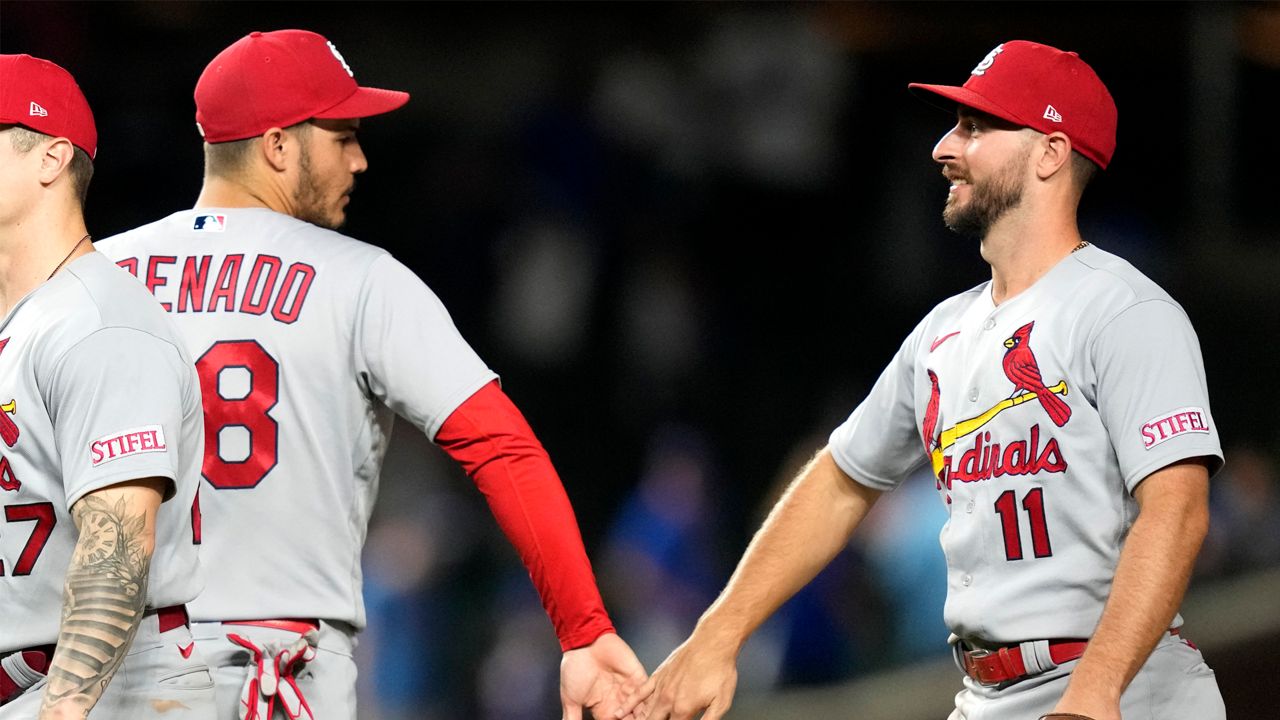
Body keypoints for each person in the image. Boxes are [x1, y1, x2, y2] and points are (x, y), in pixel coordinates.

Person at [619, 40, 1225, 720]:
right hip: (986, 692)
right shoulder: (943, 331)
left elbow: (1177, 510)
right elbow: (840, 480)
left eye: (976, 126)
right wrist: (716, 637)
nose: (945, 146)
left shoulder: (1125, 311)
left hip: (1124, 688)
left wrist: (1095, 692)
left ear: (1050, 154)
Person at [95, 29, 645, 720]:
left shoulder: (93, 278)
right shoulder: (362, 280)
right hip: (280, 676)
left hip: (110, 674)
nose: (359, 161)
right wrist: (583, 629)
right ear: (277, 146)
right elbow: (502, 447)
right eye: (343, 136)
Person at [0, 54, 213, 718]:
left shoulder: (98, 324)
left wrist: (60, 710)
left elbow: (117, 554)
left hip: (108, 691)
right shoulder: (29, 321)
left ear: (51, 158)